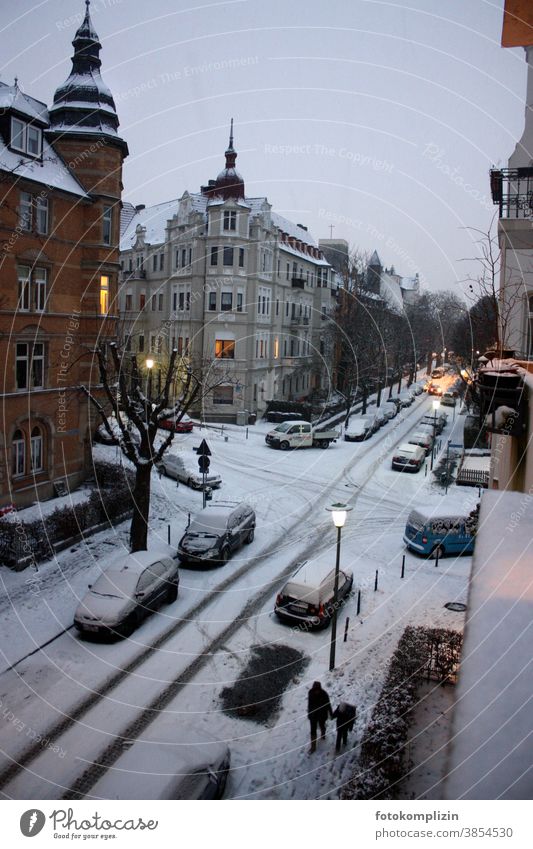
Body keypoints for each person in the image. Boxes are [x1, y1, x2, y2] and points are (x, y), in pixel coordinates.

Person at [307, 681, 333, 753]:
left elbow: (328, 704)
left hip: (322, 714)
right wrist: (309, 713)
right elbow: (309, 704)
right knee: (313, 730)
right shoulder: (311, 693)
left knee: (322, 725)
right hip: (313, 715)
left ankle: (323, 733)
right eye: (315, 690)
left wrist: (331, 714)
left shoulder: (324, 694)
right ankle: (313, 747)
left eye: (318, 690)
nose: (316, 691)